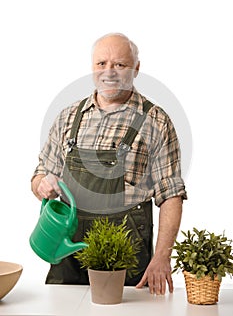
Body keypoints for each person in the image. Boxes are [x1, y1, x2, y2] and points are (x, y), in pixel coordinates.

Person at [31, 33, 187, 295]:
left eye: (120, 65)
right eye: (101, 64)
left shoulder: (156, 121)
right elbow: (39, 177)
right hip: (68, 252)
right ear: (92, 68)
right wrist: (43, 184)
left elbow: (171, 194)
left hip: (127, 253)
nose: (109, 72)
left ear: (136, 68)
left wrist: (162, 257)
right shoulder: (68, 117)